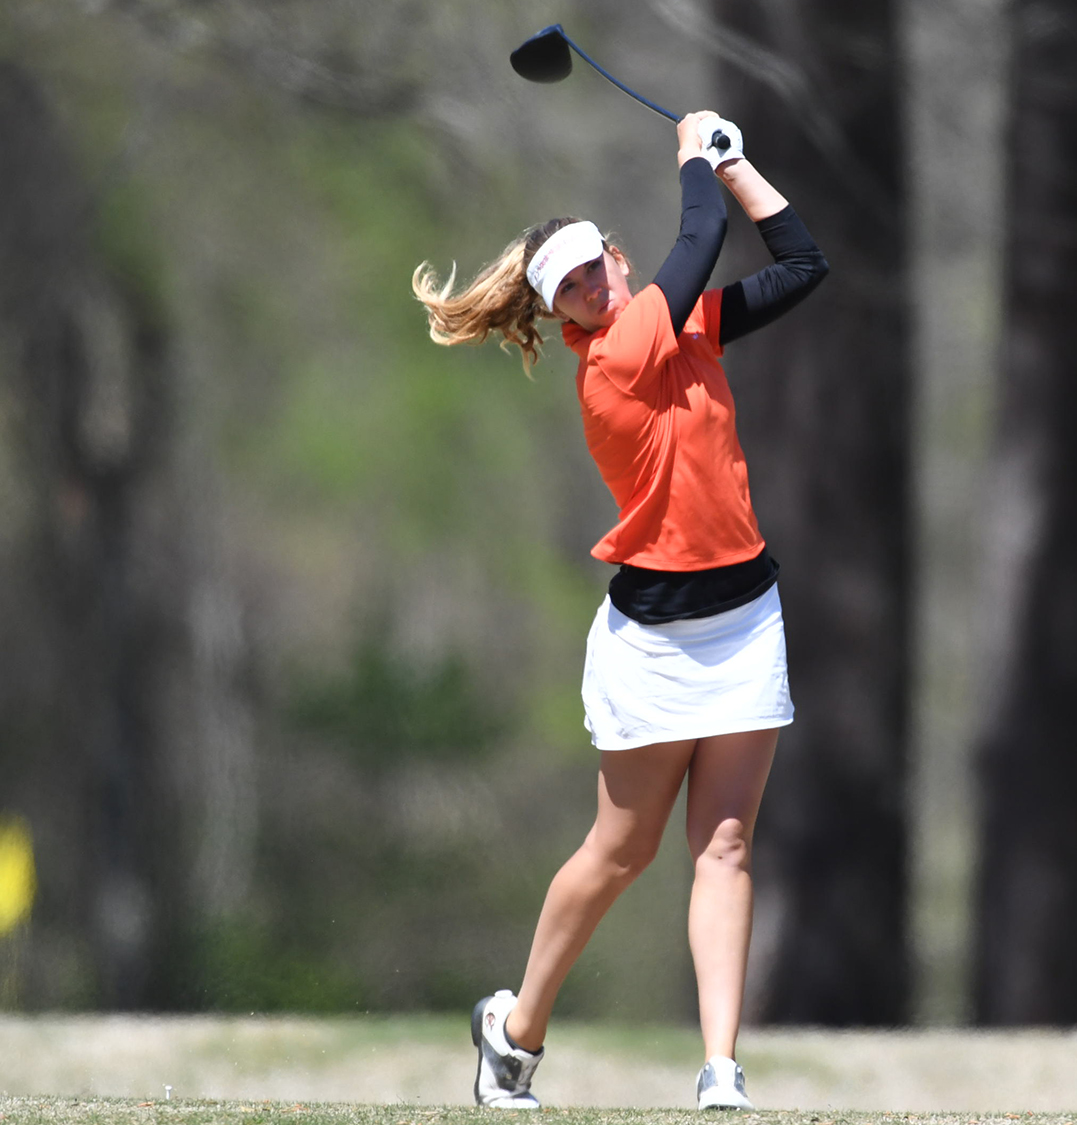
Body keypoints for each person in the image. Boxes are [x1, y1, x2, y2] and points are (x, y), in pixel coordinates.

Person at [411, 109, 827, 1112]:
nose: (595, 288)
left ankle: (721, 1070)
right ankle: (513, 1034)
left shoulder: (676, 323)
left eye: (598, 266)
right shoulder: (616, 360)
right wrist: (691, 156)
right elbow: (696, 245)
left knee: (723, 846)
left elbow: (801, 262)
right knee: (621, 853)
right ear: (562, 316)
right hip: (652, 644)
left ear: (615, 257)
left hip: (743, 619)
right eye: (573, 288)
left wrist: (735, 166)